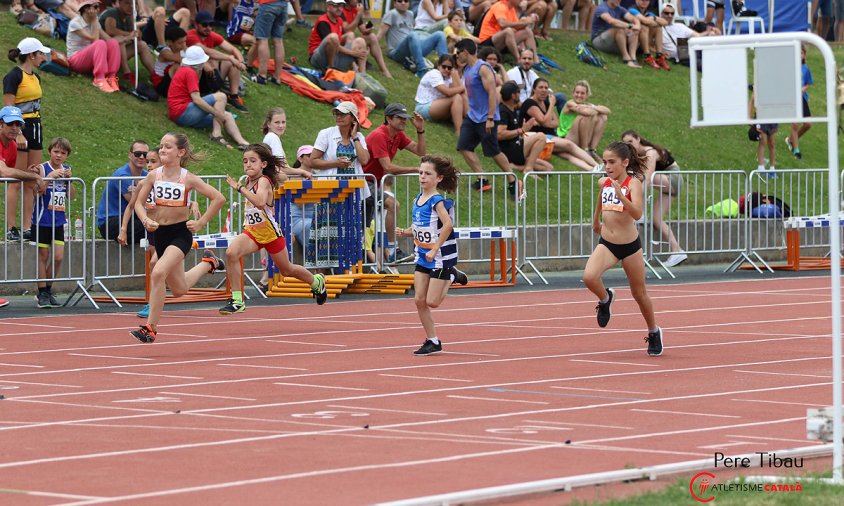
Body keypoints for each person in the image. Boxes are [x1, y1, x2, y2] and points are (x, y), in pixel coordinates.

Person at [129, 132, 226, 343]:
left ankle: (150, 328)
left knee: (158, 272)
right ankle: (209, 263)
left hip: (179, 234)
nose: (162, 150)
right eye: (161, 146)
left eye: (167, 147)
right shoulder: (153, 176)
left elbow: (218, 198)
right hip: (160, 235)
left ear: (180, 152)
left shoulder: (187, 178)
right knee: (180, 289)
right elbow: (138, 203)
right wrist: (145, 220)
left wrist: (200, 223)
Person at [219, 143, 327, 314]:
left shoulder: (263, 181)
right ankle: (237, 300)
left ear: (263, 164)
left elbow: (260, 202)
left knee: (287, 270)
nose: (248, 164)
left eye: (253, 161)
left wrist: (239, 189)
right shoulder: (247, 180)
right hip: (253, 232)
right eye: (245, 161)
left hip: (270, 234)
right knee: (232, 253)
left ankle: (316, 281)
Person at [583, 141, 663, 357]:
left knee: (639, 293)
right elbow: (601, 195)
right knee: (589, 277)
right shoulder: (605, 181)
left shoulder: (634, 183)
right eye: (604, 162)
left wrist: (621, 196)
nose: (607, 167)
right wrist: (596, 219)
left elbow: (637, 214)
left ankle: (653, 331)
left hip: (629, 247)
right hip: (608, 243)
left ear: (625, 162)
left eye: (611, 162)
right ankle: (605, 298)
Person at [394, 155, 466, 356]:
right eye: (420, 173)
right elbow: (421, 227)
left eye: (427, 174)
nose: (422, 177)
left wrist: (435, 248)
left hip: (439, 257)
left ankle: (451, 276)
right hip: (422, 256)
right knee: (419, 300)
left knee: (433, 302)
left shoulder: (437, 201)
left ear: (439, 178)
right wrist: (406, 232)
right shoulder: (417, 199)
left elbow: (448, 225)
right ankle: (433, 340)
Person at [454, 39, 521, 197]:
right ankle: (482, 179)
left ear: (465, 51)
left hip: (486, 117)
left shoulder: (482, 68)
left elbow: (492, 93)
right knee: (463, 146)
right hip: (473, 117)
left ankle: (513, 180)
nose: (457, 56)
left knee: (493, 151)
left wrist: (490, 117)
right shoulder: (467, 69)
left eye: (458, 52)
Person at [363, 103, 426, 263]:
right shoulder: (379, 135)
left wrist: (420, 130)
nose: (404, 121)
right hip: (362, 182)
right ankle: (392, 250)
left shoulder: (398, 135)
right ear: (388, 119)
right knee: (392, 204)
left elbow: (421, 152)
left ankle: (386, 255)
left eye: (405, 118)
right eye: (400, 117)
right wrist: (414, 169)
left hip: (373, 183)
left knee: (364, 224)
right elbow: (388, 167)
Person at [4, 37, 49, 242]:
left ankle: (26, 227)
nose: (43, 57)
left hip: (36, 127)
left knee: (31, 178)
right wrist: (19, 132)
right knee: (17, 179)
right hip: (21, 128)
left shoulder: (36, 77)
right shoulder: (14, 76)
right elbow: (9, 109)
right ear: (32, 55)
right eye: (41, 53)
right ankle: (11, 227)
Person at [621, 130, 686, 267]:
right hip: (666, 183)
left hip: (673, 179)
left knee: (639, 177)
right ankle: (677, 251)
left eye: (630, 141)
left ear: (638, 139)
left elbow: (648, 178)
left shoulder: (650, 153)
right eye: (625, 143)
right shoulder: (638, 155)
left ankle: (641, 212)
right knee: (657, 220)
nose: (628, 145)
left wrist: (636, 199)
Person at [167, 45, 250, 150]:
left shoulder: (185, 69)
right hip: (182, 113)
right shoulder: (190, 72)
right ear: (200, 62)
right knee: (221, 96)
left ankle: (243, 143)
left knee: (227, 115)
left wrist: (218, 114)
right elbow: (196, 99)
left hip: (179, 114)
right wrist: (216, 113)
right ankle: (217, 134)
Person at [32, 137, 75, 309]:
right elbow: (36, 191)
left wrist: (69, 181)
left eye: (63, 153)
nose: (59, 156)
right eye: (56, 152)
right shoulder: (42, 169)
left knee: (58, 257)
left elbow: (71, 196)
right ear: (49, 151)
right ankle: (42, 292)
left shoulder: (66, 170)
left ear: (67, 156)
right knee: (43, 256)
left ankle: (48, 290)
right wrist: (49, 177)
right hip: (42, 220)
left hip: (58, 220)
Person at [520, 78, 599, 171]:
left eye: (546, 88)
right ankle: (596, 165)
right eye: (541, 87)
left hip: (550, 136)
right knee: (569, 145)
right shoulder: (530, 103)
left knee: (568, 155)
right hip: (539, 138)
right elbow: (544, 121)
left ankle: (593, 170)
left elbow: (556, 123)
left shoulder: (543, 103)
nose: (544, 90)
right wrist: (552, 105)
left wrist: (545, 122)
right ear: (534, 89)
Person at [186, 10, 248, 112]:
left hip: (212, 74)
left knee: (229, 62)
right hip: (197, 75)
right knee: (206, 62)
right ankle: (208, 96)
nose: (208, 28)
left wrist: (240, 62)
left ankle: (233, 96)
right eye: (205, 25)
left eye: (211, 24)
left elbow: (233, 49)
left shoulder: (212, 35)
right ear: (196, 25)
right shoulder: (191, 36)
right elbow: (207, 51)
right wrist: (230, 58)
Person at [377, 0, 449, 78]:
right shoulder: (392, 14)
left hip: (413, 50)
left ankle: (446, 67)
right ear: (394, 3)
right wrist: (372, 45)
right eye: (399, 1)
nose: (403, 3)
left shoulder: (410, 14)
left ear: (409, 3)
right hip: (397, 52)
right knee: (413, 35)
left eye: (406, 1)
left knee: (440, 34)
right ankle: (421, 70)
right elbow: (380, 34)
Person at [96, 140, 150, 243]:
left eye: (145, 154)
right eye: (137, 154)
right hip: (110, 221)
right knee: (154, 227)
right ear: (130, 155)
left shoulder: (146, 175)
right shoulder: (122, 175)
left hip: (130, 218)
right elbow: (136, 204)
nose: (142, 157)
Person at [497, 80, 553, 174]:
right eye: (518, 92)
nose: (520, 94)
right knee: (541, 136)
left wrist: (522, 130)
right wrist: (522, 130)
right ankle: (528, 169)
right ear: (513, 96)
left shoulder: (512, 109)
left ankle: (514, 166)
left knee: (549, 168)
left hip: (516, 145)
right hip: (508, 150)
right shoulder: (503, 111)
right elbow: (500, 134)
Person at [67, 0, 122, 92]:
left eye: (98, 7)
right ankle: (99, 78)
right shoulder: (75, 23)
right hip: (75, 61)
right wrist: (94, 21)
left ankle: (111, 77)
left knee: (113, 43)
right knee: (100, 43)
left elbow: (108, 39)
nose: (98, 10)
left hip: (91, 60)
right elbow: (95, 40)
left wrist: (127, 37)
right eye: (96, 7)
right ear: (86, 8)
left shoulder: (94, 22)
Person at [99, 0, 156, 82]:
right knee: (120, 39)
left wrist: (137, 33)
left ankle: (155, 76)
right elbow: (110, 30)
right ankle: (127, 72)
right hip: (104, 56)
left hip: (119, 54)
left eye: (133, 4)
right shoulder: (112, 12)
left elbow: (137, 36)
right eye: (127, 3)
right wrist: (129, 34)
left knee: (142, 45)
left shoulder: (130, 16)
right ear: (119, 3)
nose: (131, 6)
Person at [307, 0, 368, 73]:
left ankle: (362, 75)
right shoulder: (322, 21)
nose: (339, 8)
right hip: (318, 59)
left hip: (334, 55)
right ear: (328, 7)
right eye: (336, 5)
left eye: (341, 5)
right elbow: (333, 43)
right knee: (333, 37)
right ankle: (330, 70)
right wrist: (353, 53)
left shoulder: (339, 20)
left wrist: (358, 50)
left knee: (360, 41)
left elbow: (339, 43)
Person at [558, 80, 610, 163]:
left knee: (602, 117)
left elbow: (607, 111)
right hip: (568, 137)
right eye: (577, 92)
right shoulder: (570, 103)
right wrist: (594, 109)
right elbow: (586, 112)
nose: (579, 95)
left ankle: (592, 150)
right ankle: (584, 150)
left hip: (581, 136)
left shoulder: (587, 105)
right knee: (584, 117)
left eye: (582, 93)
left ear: (586, 95)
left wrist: (593, 107)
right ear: (573, 93)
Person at [414, 54, 466, 135]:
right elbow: (448, 92)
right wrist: (462, 88)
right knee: (456, 97)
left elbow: (459, 91)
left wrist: (455, 75)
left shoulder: (448, 78)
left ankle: (470, 125)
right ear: (438, 66)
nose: (446, 69)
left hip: (436, 107)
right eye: (444, 66)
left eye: (449, 68)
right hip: (423, 108)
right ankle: (459, 131)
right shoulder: (434, 73)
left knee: (460, 96)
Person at [478, 0, 540, 65]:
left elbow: (516, 27)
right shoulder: (501, 6)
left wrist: (528, 21)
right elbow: (502, 24)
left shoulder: (511, 8)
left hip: (501, 41)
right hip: (487, 42)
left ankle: (535, 60)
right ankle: (519, 60)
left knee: (527, 31)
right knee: (508, 31)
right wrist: (524, 22)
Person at [341, 0, 392, 78]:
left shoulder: (355, 10)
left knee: (372, 37)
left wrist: (369, 26)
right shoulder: (340, 9)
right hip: (340, 43)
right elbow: (347, 30)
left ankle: (384, 69)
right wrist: (358, 15)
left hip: (351, 42)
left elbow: (363, 30)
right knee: (350, 34)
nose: (358, 1)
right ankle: (354, 66)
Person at [591, 0, 641, 68]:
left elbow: (633, 18)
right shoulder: (602, 8)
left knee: (634, 30)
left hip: (612, 41)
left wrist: (638, 25)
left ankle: (633, 59)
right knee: (619, 28)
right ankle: (626, 58)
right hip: (599, 40)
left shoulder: (619, 8)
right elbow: (611, 21)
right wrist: (630, 26)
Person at [251, 0, 289, 85]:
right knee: (278, 41)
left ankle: (262, 76)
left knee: (262, 39)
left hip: (268, 4)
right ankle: (277, 77)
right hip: (284, 4)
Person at [627, 0, 670, 70]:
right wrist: (652, 20)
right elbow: (645, 21)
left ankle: (659, 56)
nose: (644, 1)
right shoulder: (632, 10)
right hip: (631, 42)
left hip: (642, 42)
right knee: (644, 27)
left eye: (647, 0)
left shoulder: (648, 13)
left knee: (658, 27)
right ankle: (647, 56)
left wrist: (654, 18)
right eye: (642, 0)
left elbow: (665, 22)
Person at [786, 45, 812, 160]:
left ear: (804, 55)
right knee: (795, 124)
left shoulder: (806, 69)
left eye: (801, 53)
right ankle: (796, 151)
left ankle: (791, 140)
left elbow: (808, 83)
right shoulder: (790, 67)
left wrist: (803, 89)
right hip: (792, 98)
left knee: (808, 124)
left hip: (802, 98)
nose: (799, 55)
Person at [150, 25, 188, 97]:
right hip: (160, 86)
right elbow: (183, 60)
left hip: (170, 82)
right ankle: (184, 92)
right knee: (178, 66)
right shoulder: (165, 52)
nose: (183, 45)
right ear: (170, 42)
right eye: (180, 43)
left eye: (185, 42)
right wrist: (188, 50)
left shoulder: (182, 50)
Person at [749, 85, 777, 179]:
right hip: (761, 117)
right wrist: (749, 117)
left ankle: (772, 169)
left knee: (772, 143)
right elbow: (752, 100)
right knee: (763, 141)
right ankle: (761, 168)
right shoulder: (759, 85)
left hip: (773, 116)